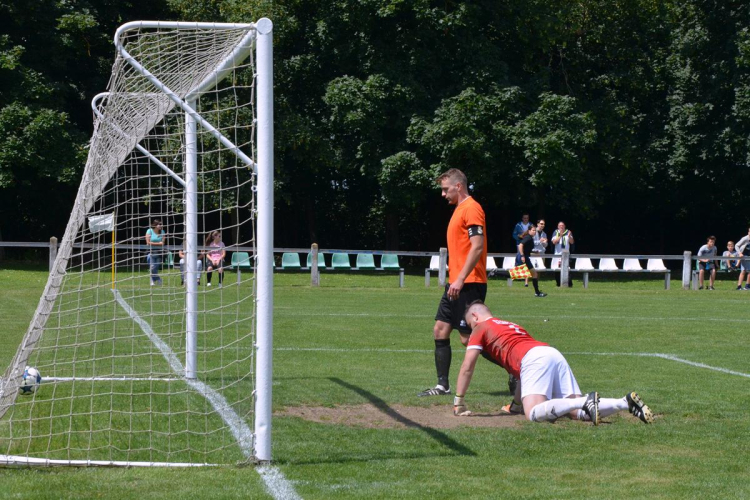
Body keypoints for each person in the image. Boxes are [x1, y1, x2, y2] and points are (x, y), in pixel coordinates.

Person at [453, 301, 654, 425]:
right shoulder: (510, 325)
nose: (472, 330)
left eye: (471, 325)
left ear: (475, 316)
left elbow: (467, 366)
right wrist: (515, 405)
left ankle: (586, 400)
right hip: (550, 353)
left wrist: (459, 402)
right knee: (576, 414)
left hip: (534, 359)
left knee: (533, 413)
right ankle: (624, 402)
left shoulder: (480, 327)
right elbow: (523, 375)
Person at [418, 168, 487, 397]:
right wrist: (454, 280)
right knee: (440, 329)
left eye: (446, 189)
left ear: (458, 186)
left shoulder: (472, 208)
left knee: (468, 338)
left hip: (468, 283)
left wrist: (459, 279)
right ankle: (442, 386)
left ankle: (514, 369)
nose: (443, 194)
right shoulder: (459, 209)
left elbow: (477, 246)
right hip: (455, 283)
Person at [516, 225, 547, 297]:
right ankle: (537, 292)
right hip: (524, 258)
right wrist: (522, 255)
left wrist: (534, 252)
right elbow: (520, 245)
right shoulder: (528, 237)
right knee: (531, 274)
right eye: (533, 230)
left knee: (533, 274)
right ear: (529, 231)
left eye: (535, 230)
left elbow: (526, 248)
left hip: (526, 257)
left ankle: (537, 292)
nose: (534, 232)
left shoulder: (530, 238)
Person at [551, 221, 574, 287]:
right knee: (557, 270)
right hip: (557, 254)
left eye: (562, 225)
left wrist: (569, 237)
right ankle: (558, 283)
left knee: (567, 269)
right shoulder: (556, 232)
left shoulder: (568, 232)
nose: (561, 227)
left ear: (565, 226)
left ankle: (569, 284)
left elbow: (572, 242)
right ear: (558, 226)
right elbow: (554, 242)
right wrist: (560, 236)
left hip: (566, 254)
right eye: (560, 225)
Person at [144, 219, 166, 286]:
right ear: (155, 225)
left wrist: (153, 243)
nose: (161, 225)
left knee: (155, 268)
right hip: (151, 252)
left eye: (161, 224)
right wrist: (158, 243)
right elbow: (148, 242)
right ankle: (158, 279)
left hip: (159, 253)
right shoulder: (149, 231)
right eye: (159, 224)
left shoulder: (162, 232)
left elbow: (163, 243)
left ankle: (152, 281)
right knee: (152, 267)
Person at [512, 214, 532, 287]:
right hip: (520, 245)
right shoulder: (518, 225)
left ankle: (525, 281)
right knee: (519, 261)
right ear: (522, 218)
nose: (525, 219)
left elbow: (533, 235)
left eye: (527, 218)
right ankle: (517, 276)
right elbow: (514, 235)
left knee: (526, 261)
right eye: (524, 218)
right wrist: (519, 238)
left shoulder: (531, 225)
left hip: (528, 245)